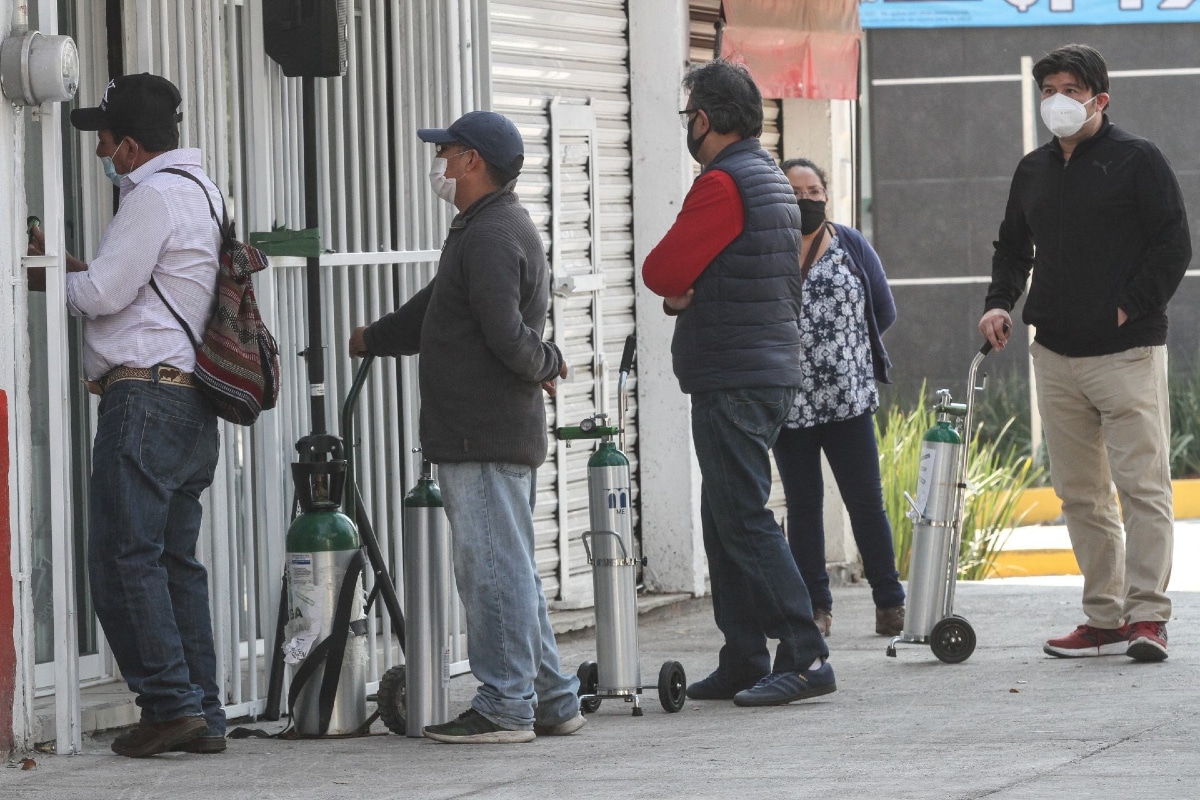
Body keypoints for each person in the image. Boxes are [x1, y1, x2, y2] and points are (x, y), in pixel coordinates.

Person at [347, 110, 584, 743]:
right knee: (513, 569)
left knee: (490, 571)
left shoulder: (489, 234)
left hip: (483, 435)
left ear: (472, 160)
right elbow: (435, 309)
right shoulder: (483, 228)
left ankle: (506, 705)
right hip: (487, 431)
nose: (440, 164)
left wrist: (546, 362)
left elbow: (505, 333)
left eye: (446, 152)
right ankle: (554, 699)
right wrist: (376, 337)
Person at [29, 73, 228, 756]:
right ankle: (203, 710)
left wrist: (48, 273)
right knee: (173, 561)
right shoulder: (204, 192)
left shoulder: (153, 196)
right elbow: (141, 286)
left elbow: (108, 292)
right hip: (190, 401)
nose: (99, 151)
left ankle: (170, 705)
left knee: (121, 558)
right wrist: (82, 274)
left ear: (134, 146)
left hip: (143, 399)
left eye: (105, 139)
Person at [979, 44, 1190, 662]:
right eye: (1048, 89)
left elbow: (1172, 243)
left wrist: (1128, 306)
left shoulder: (1138, 160)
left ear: (1100, 97)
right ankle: (1103, 619)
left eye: (1070, 89)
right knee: (1081, 495)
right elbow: (1013, 247)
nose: (1057, 100)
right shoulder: (1033, 170)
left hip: (1126, 352)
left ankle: (1147, 618)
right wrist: (999, 302)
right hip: (1056, 356)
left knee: (1143, 488)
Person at [642, 60, 834, 707]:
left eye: (689, 115)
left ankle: (804, 654)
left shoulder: (723, 184)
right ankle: (745, 656)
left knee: (743, 516)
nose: (687, 128)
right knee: (723, 514)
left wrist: (678, 296)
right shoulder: (773, 180)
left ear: (705, 118)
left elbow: (663, 268)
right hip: (764, 367)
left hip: (734, 373)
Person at [772, 159, 905, 638]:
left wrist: (845, 352)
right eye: (796, 191)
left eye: (814, 190)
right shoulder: (769, 248)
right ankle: (816, 608)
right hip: (791, 402)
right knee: (804, 506)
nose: (807, 198)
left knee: (866, 501)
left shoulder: (851, 244)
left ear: (826, 195)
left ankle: (890, 602)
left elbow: (882, 309)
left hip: (849, 399)